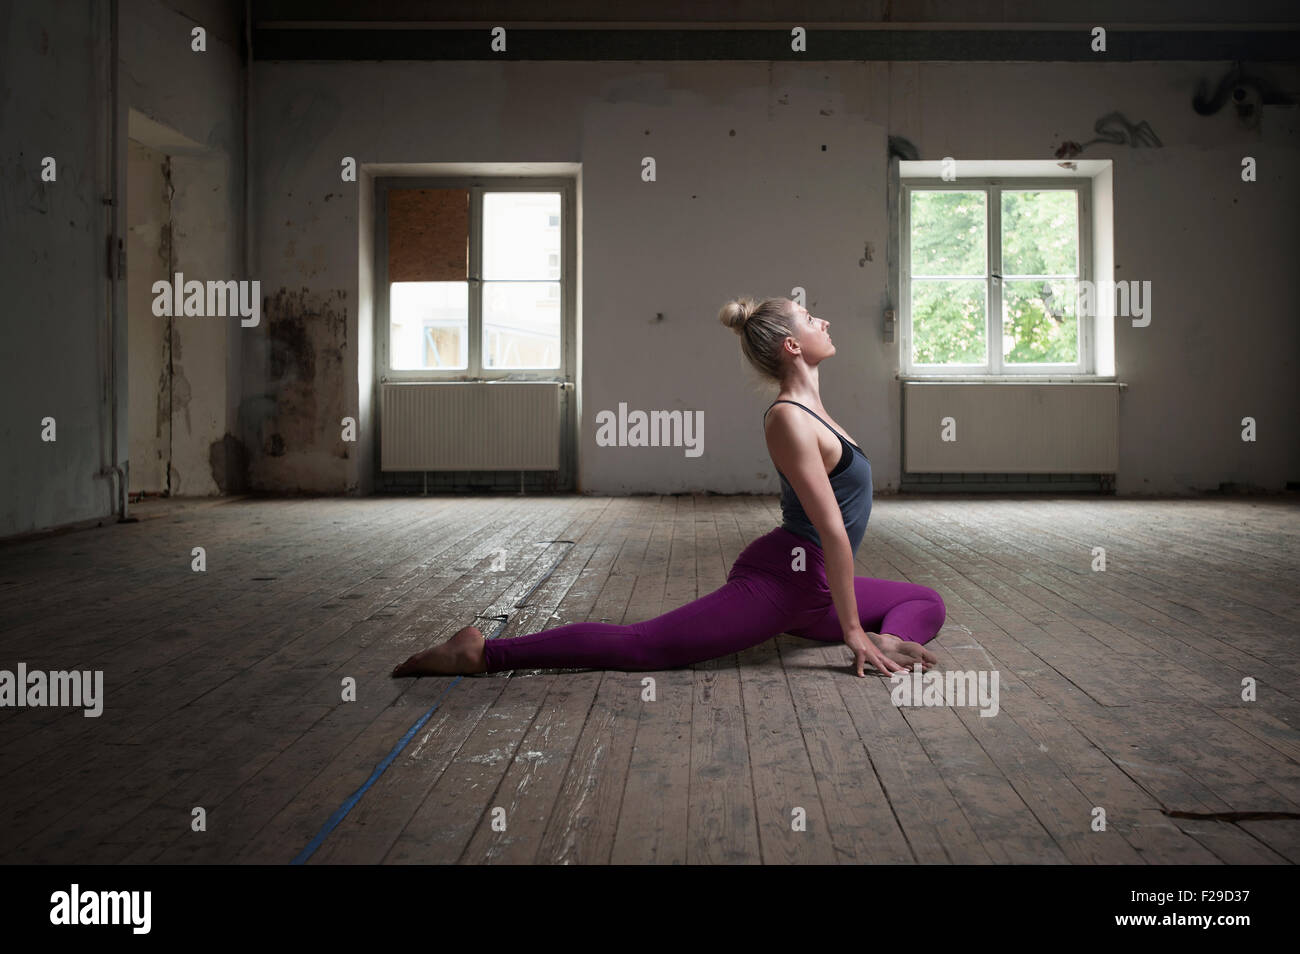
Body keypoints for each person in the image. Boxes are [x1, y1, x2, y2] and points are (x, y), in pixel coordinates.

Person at [392, 296, 945, 679]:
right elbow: (831, 531)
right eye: (809, 317)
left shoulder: (818, 411)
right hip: (786, 577)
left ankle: (845, 631)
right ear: (791, 346)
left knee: (925, 602)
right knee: (646, 647)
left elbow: (859, 552)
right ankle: (483, 652)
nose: (822, 321)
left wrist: (878, 635)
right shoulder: (789, 419)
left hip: (815, 586)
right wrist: (853, 631)